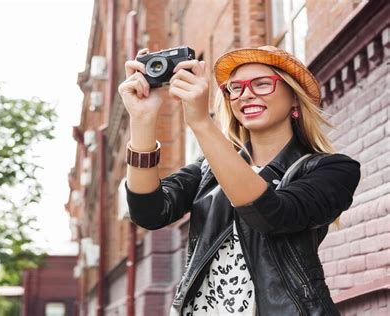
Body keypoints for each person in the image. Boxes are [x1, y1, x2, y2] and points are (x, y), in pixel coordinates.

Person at [118, 45, 360, 315]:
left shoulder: (333, 170)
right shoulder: (208, 170)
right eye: (236, 88)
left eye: (262, 84)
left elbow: (270, 214)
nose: (246, 94)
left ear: (294, 97)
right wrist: (141, 120)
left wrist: (201, 123)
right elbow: (149, 212)